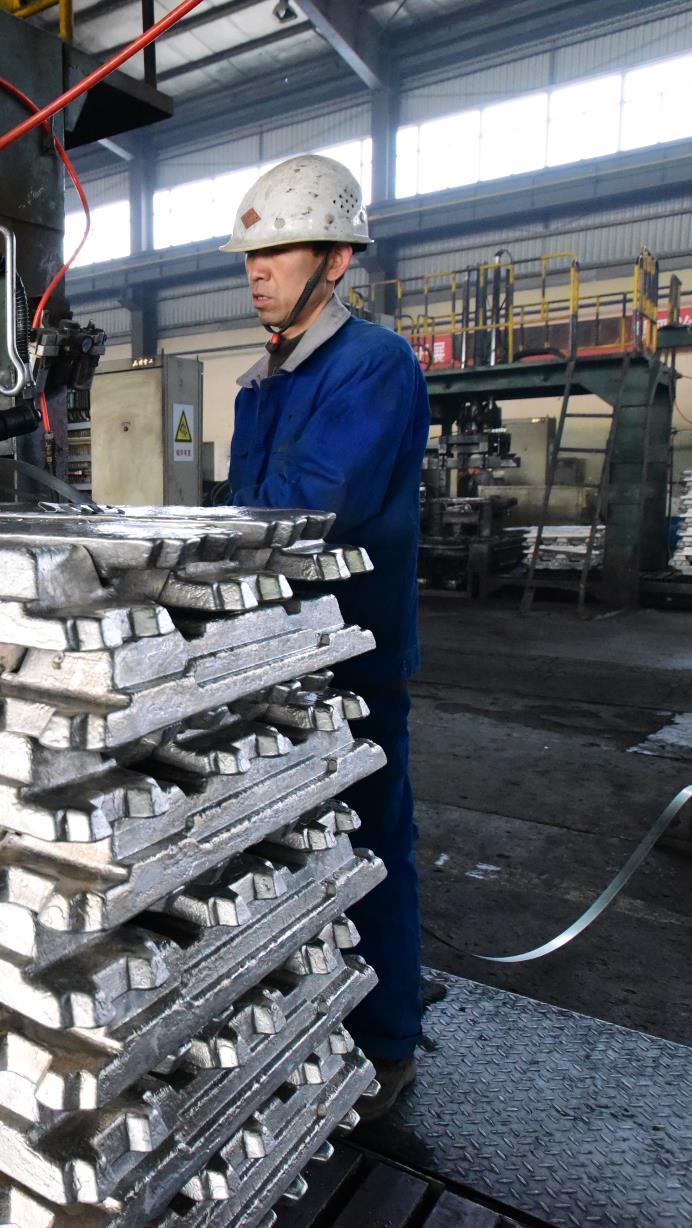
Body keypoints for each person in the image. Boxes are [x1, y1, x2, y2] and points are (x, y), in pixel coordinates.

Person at [219, 154, 432, 1120]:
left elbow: (309, 508)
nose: (257, 270)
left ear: (337, 258)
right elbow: (244, 515)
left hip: (354, 653)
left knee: (370, 843)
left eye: (279, 251)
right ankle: (308, 1020)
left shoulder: (374, 364)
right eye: (249, 256)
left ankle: (386, 1042)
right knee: (283, 848)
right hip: (275, 651)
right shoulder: (260, 382)